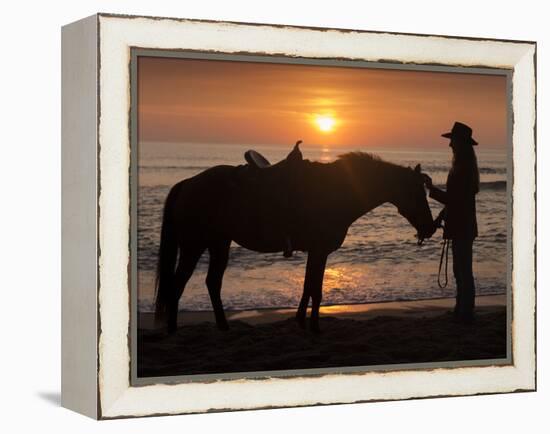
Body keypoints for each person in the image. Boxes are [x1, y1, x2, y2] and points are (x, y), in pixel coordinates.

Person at [424, 122, 480, 323]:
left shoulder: (462, 169)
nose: (450, 145)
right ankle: (462, 308)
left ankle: (465, 312)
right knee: (460, 269)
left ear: (460, 143)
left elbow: (454, 200)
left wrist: (431, 188)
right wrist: (440, 218)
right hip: (463, 225)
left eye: (452, 141)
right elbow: (456, 201)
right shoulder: (464, 167)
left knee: (463, 270)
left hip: (462, 226)